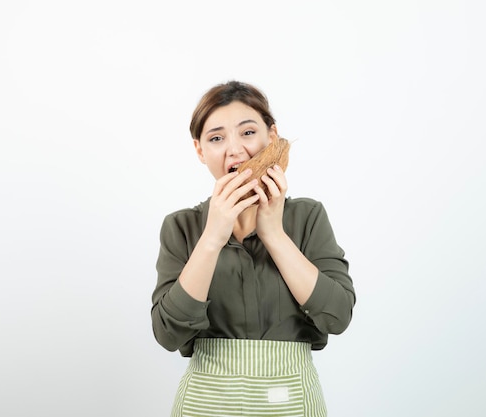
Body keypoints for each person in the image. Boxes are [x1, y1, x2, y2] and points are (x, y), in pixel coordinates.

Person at [151, 80, 356, 417]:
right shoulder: (182, 227)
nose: (235, 150)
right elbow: (168, 334)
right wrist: (212, 238)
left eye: (247, 133)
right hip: (205, 404)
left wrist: (274, 234)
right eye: (216, 138)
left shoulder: (308, 217)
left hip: (291, 402)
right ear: (200, 151)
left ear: (271, 138)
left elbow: (337, 316)